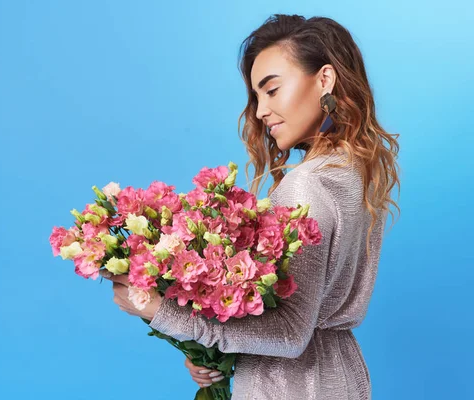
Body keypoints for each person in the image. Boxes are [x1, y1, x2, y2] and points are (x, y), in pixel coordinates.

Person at [102, 13, 400, 400]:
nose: (260, 111)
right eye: (257, 97)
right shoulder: (357, 174)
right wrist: (214, 351)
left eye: (272, 90)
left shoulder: (305, 184)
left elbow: (291, 334)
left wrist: (161, 311)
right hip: (340, 374)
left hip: (289, 384)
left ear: (324, 79)